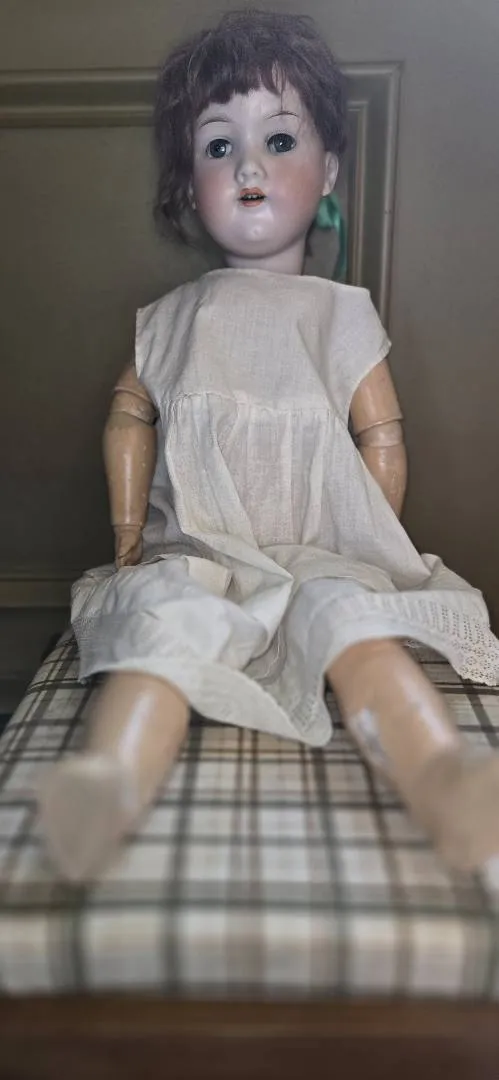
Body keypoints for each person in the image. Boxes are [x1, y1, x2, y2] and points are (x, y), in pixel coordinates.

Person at [40, 9, 499, 882]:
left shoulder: (340, 315)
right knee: (164, 629)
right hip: (201, 550)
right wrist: (131, 538)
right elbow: (129, 416)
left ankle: (441, 776)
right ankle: (108, 785)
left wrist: (369, 543)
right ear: (190, 185)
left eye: (278, 139)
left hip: (319, 551)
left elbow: (381, 434)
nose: (247, 167)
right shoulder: (176, 316)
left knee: (354, 630)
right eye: (218, 147)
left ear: (328, 169)